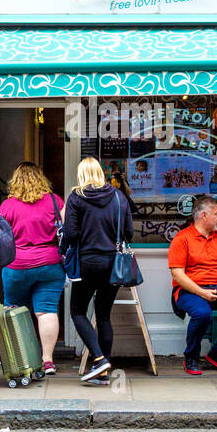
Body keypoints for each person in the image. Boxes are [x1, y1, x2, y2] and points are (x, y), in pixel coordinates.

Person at [62, 156, 131, 383]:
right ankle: (103, 372)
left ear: (81, 174)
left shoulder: (76, 197)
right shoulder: (119, 196)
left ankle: (100, 359)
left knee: (77, 311)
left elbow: (70, 234)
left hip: (87, 262)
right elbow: (129, 232)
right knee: (103, 315)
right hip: (113, 264)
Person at [0, 162, 66, 375]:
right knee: (46, 311)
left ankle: (17, 358)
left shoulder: (7, 206)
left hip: (17, 265)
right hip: (50, 264)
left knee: (14, 311)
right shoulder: (55, 202)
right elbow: (69, 231)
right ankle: (47, 361)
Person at [168, 194, 217, 375]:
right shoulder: (182, 238)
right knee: (202, 313)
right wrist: (201, 292)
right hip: (189, 291)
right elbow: (177, 273)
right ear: (204, 216)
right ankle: (191, 356)